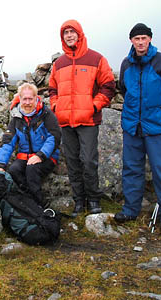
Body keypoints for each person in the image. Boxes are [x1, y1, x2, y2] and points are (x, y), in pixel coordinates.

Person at [115, 23, 161, 236]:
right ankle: (130, 210)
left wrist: (158, 113)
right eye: (136, 38)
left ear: (149, 39)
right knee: (131, 168)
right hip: (132, 125)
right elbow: (124, 89)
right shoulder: (126, 64)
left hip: (156, 126)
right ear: (131, 41)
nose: (140, 42)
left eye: (144, 38)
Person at [48, 19, 116, 217]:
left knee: (88, 161)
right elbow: (53, 89)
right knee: (72, 161)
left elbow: (108, 85)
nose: (69, 36)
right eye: (65, 33)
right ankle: (79, 201)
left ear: (79, 34)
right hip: (65, 121)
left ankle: (93, 199)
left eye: (72, 32)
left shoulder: (96, 59)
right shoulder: (59, 64)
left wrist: (94, 106)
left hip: (88, 120)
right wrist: (55, 105)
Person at [0, 83, 61, 208]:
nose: (28, 102)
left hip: (47, 156)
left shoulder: (46, 114)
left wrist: (40, 155)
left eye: (31, 99)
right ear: (20, 99)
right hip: (24, 157)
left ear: (36, 98)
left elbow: (54, 136)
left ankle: (41, 204)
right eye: (25, 99)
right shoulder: (16, 118)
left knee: (32, 169)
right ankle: (27, 200)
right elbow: (8, 142)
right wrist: (0, 165)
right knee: (13, 170)